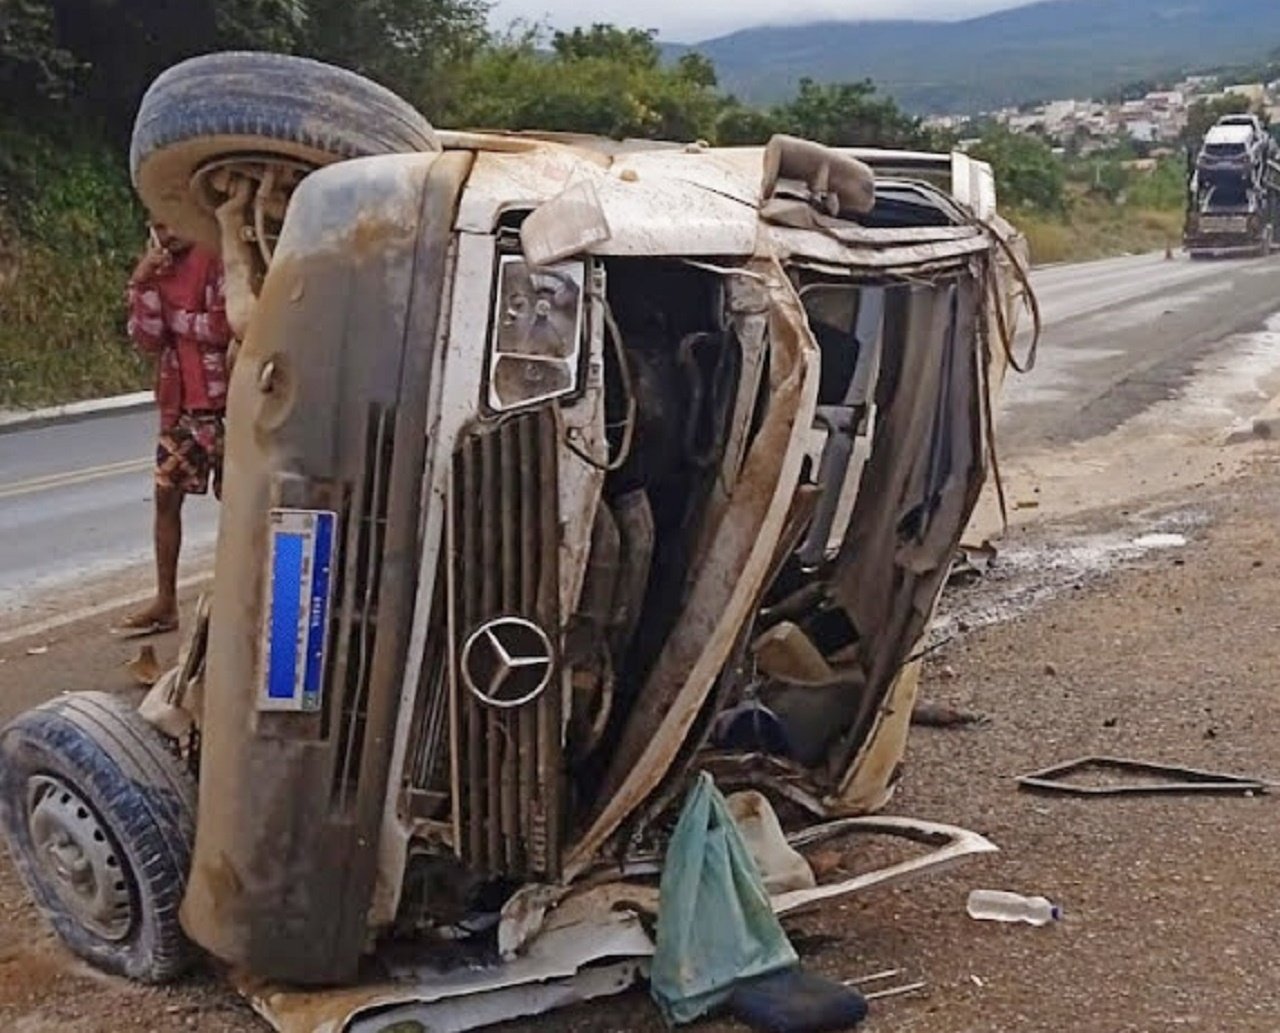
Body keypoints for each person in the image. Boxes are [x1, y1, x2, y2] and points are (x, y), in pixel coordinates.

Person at [120, 222, 231, 635]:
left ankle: (242, 599)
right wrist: (141, 282)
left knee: (238, 504)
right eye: (159, 225)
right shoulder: (157, 268)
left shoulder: (216, 255)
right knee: (166, 498)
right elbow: (147, 338)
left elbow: (224, 326)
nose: (168, 233)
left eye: (173, 221)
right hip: (180, 405)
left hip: (226, 405)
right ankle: (166, 601)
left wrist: (176, 319)